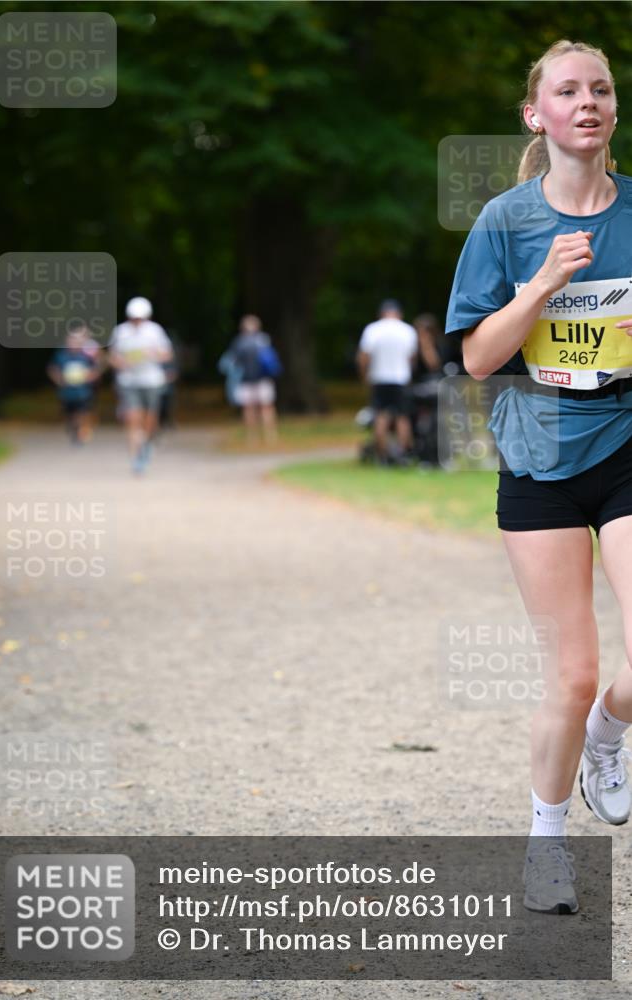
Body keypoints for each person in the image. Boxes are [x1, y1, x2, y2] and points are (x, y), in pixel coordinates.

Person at [446, 40, 632, 914]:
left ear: (611, 112)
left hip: (628, 439)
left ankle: (607, 736)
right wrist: (542, 285)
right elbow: (478, 359)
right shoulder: (503, 222)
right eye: (568, 90)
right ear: (537, 115)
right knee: (571, 671)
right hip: (540, 458)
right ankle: (546, 845)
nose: (587, 101)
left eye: (600, 89)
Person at [108, 297, 174, 473]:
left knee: (150, 418)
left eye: (140, 318)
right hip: (128, 381)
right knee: (132, 418)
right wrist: (121, 363)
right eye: (134, 318)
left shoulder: (155, 331)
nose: (137, 321)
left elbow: (168, 355)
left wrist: (152, 354)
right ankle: (136, 457)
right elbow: (112, 357)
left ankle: (146, 444)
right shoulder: (120, 332)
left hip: (152, 380)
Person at [357, 299, 419, 464]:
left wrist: (365, 376)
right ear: (399, 313)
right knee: (402, 416)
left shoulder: (373, 329)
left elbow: (364, 356)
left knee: (380, 416)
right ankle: (402, 453)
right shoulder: (407, 330)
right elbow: (411, 357)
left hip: (379, 377)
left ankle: (382, 455)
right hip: (400, 378)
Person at [227, 314, 279, 444]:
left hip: (246, 380)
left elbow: (233, 362)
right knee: (266, 407)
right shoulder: (263, 339)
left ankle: (252, 437)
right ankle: (270, 436)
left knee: (249, 408)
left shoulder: (239, 342)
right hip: (263, 379)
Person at [47, 325, 102, 445]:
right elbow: (52, 368)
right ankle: (73, 429)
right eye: (71, 340)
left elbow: (97, 369)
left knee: (83, 412)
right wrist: (59, 380)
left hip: (83, 391)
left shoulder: (87, 355)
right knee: (70, 414)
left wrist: (90, 377)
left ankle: (81, 433)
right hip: (67, 391)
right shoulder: (61, 354)